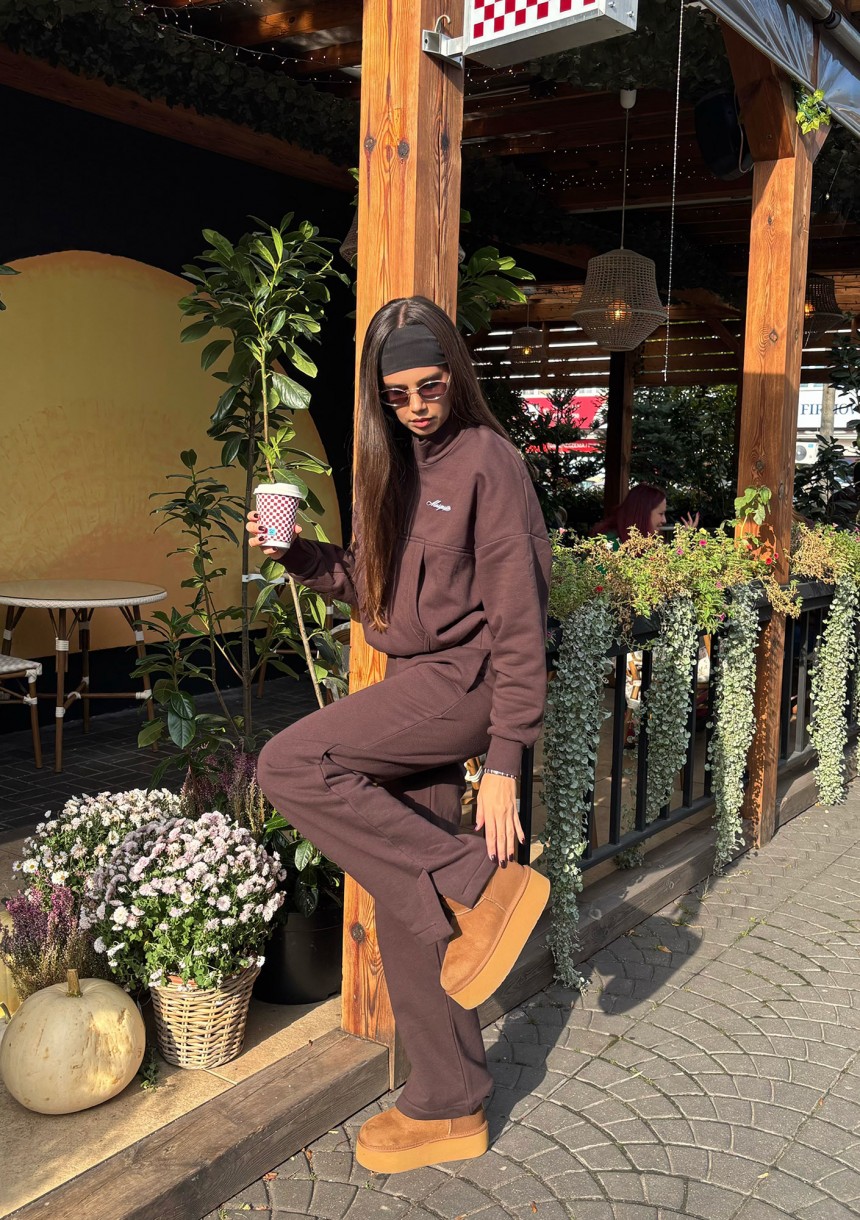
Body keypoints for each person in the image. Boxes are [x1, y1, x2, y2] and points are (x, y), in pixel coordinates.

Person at [247, 295, 552, 1175]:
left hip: (466, 685)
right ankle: (451, 1100)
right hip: (413, 683)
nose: (418, 405)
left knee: (291, 761)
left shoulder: (490, 461)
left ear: (455, 372)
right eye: (398, 394)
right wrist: (300, 557)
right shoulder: (392, 467)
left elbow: (521, 623)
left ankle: (484, 884)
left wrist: (505, 760)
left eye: (431, 385)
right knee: (401, 898)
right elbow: (371, 587)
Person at [592, 483, 699, 547]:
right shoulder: (609, 544)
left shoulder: (649, 541)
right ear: (643, 514)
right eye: (661, 514)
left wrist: (683, 541)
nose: (664, 520)